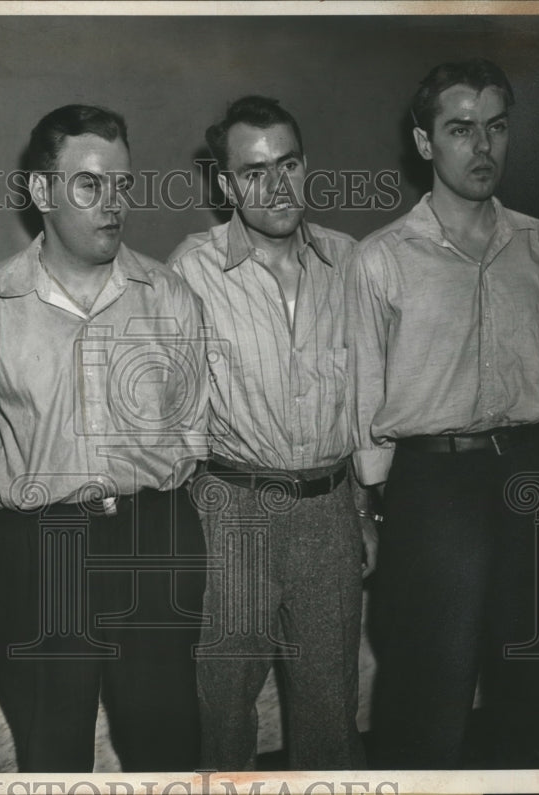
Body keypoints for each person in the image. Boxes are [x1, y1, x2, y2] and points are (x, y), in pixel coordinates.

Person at [0, 104, 208, 773]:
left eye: (122, 185)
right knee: (51, 747)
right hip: (43, 549)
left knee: (167, 742)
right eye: (90, 185)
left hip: (154, 537)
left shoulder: (168, 294)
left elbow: (192, 425)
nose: (113, 203)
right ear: (42, 191)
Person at [347, 59, 539, 768]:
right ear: (425, 143)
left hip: (533, 475)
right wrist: (376, 506)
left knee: (532, 682)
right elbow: (362, 392)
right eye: (461, 129)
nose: (483, 147)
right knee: (426, 696)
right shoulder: (381, 259)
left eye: (497, 128)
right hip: (432, 489)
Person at [167, 95, 376, 771]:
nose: (277, 185)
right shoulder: (190, 270)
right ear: (226, 185)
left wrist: (366, 504)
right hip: (233, 514)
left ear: (306, 166)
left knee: (331, 718)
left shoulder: (349, 263)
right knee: (223, 720)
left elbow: (370, 391)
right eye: (255, 171)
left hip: (330, 510)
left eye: (288, 163)